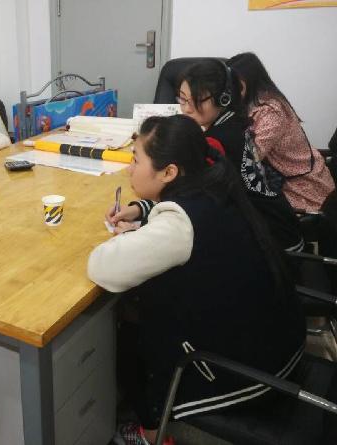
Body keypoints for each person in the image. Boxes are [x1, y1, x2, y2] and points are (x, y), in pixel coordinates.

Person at [89, 115, 305, 445]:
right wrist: (144, 211)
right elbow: (182, 216)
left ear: (169, 172)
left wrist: (131, 238)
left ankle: (152, 432)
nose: (129, 170)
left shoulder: (180, 224)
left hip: (245, 376)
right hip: (281, 346)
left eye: (136, 160)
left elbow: (102, 267)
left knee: (134, 319)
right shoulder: (217, 184)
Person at [176, 58, 304, 251]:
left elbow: (194, 194)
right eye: (183, 99)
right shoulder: (236, 122)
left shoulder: (216, 141)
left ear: (224, 99)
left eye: (197, 101)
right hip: (282, 223)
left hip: (272, 244)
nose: (186, 108)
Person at [227, 52, 334, 212]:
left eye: (235, 85)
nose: (231, 90)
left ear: (249, 81)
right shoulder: (251, 102)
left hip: (301, 187)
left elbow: (249, 158)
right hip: (278, 178)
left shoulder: (271, 111)